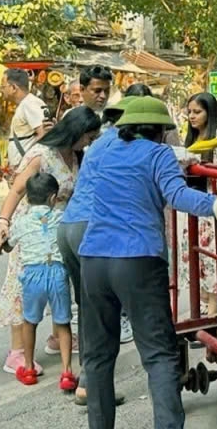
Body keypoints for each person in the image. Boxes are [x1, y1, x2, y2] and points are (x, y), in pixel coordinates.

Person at [78, 96, 217, 429]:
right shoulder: (158, 153)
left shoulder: (104, 150)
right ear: (161, 131)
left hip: (93, 258)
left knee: (98, 358)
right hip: (137, 259)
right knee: (159, 356)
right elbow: (178, 195)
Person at [0, 106, 101, 376]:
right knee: (24, 283)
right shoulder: (41, 155)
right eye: (89, 136)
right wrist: (3, 222)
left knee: (59, 283)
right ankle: (17, 352)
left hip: (61, 230)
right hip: (33, 228)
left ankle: (58, 338)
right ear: (76, 131)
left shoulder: (78, 156)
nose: (90, 142)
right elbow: (17, 189)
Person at [59, 98, 139, 406]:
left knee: (89, 309)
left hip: (68, 227)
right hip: (90, 229)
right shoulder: (127, 143)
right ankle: (93, 386)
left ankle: (86, 379)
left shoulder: (99, 144)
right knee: (104, 313)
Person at [6, 171, 77, 391]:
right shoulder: (62, 217)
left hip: (33, 276)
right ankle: (66, 372)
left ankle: (28, 369)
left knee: (30, 322)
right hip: (57, 273)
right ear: (53, 198)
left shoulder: (21, 221)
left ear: (28, 198)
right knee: (63, 323)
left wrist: (3, 239)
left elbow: (8, 245)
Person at [180, 92, 217, 316]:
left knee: (216, 259)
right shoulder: (194, 137)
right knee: (201, 259)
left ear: (210, 112)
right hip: (199, 204)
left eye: (198, 112)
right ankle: (208, 307)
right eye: (190, 112)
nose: (192, 117)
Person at [1, 68, 49, 171]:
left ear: (14, 87)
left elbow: (43, 133)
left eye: (3, 87)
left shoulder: (29, 104)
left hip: (26, 168)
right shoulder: (28, 103)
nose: (1, 90)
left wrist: (26, 160)